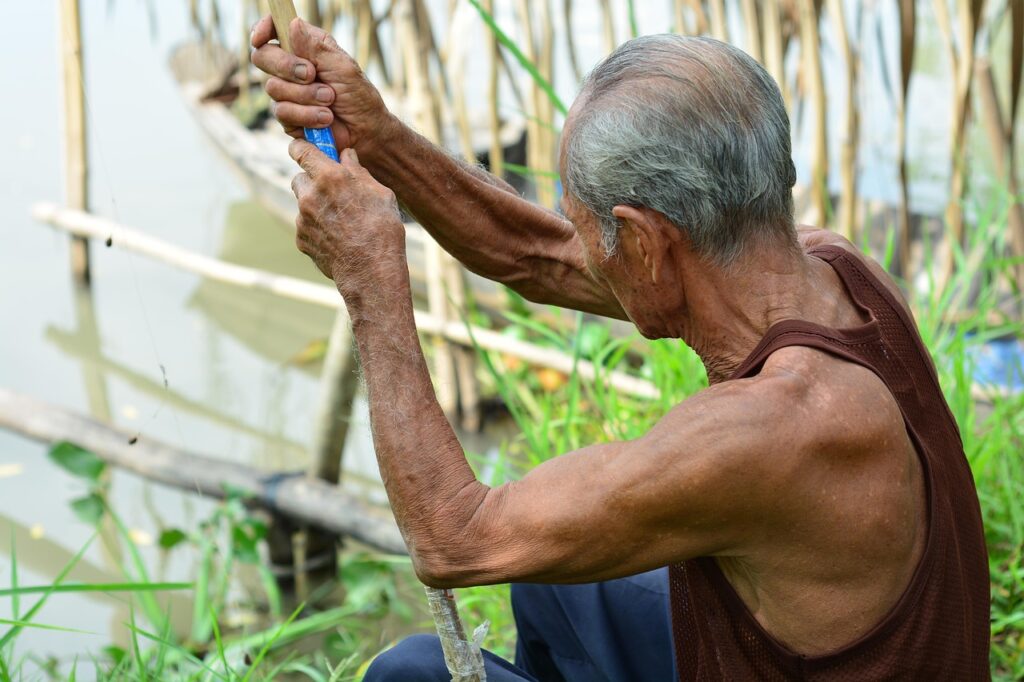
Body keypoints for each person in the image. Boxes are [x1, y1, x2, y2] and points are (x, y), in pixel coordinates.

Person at [251, 17, 990, 681]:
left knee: (410, 673)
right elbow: (535, 254)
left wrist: (371, 279)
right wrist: (380, 138)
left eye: (594, 232)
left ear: (644, 242)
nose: (583, 251)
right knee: (552, 574)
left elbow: (456, 541)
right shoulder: (830, 266)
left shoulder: (774, 430)